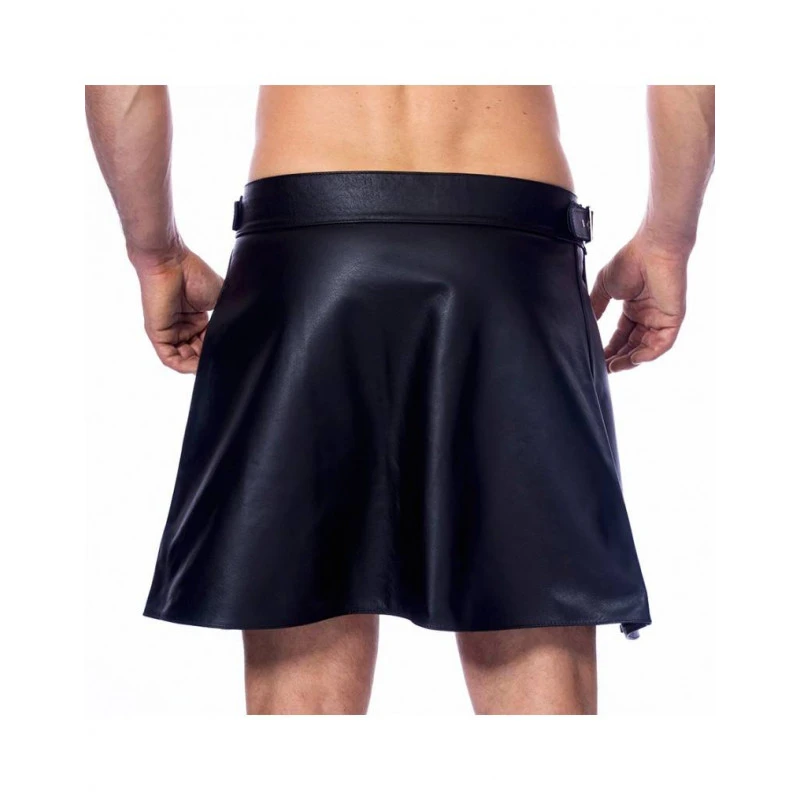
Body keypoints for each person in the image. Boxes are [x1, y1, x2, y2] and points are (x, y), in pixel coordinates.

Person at [85, 85, 715, 715]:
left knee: (301, 682)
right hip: (508, 253)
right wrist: (667, 241)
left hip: (306, 251)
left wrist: (156, 254)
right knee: (537, 631)